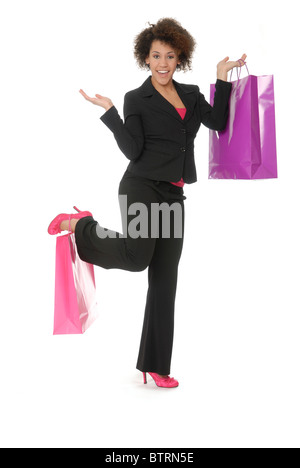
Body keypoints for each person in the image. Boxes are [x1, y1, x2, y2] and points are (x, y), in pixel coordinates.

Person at [48, 18, 247, 388]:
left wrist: (221, 76)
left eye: (170, 56)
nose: (163, 63)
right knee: (138, 258)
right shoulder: (136, 99)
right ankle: (81, 226)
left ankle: (155, 365)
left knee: (164, 282)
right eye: (156, 55)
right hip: (141, 187)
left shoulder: (189, 94)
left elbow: (218, 122)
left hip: (173, 195)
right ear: (146, 57)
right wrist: (111, 113)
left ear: (180, 58)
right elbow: (133, 149)